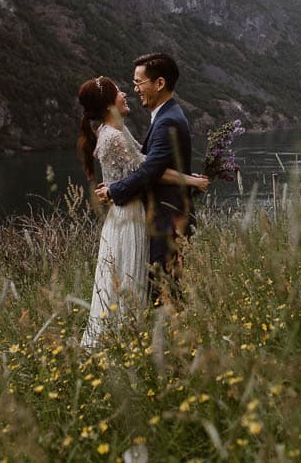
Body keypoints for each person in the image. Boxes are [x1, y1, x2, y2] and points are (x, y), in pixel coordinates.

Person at [77, 75, 206, 348]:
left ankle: (124, 342)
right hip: (128, 217)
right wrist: (192, 180)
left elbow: (145, 165)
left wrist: (113, 186)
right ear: (109, 104)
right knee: (127, 279)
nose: (125, 93)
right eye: (118, 92)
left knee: (127, 280)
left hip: (130, 212)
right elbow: (150, 171)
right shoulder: (112, 136)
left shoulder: (115, 131)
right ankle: (119, 343)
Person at [95, 53, 195, 304]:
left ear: (159, 83)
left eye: (139, 83)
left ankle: (168, 340)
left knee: (164, 292)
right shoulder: (166, 116)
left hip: (166, 218)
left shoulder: (167, 121)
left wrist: (113, 191)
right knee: (159, 289)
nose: (135, 89)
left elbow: (150, 171)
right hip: (158, 216)